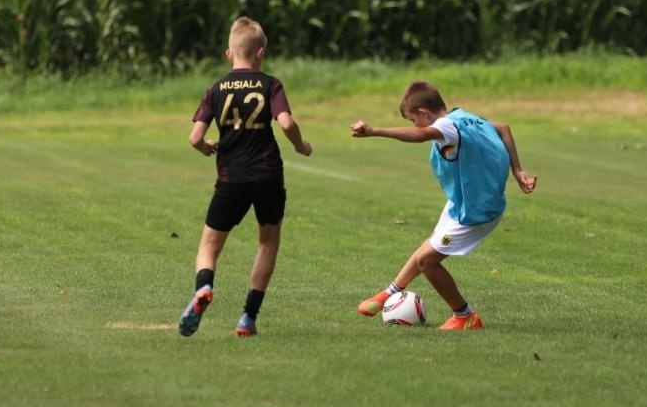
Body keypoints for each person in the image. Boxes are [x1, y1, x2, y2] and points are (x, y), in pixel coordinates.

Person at [350, 80, 537, 330]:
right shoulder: (465, 117)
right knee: (428, 247)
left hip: (475, 213)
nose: (414, 125)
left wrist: (375, 131)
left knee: (428, 260)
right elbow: (503, 128)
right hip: (462, 203)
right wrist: (518, 171)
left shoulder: (446, 127)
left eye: (411, 120)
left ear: (423, 113)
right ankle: (390, 292)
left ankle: (465, 316)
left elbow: (421, 134)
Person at [177, 18, 313, 338]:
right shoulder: (271, 84)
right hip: (267, 175)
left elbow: (195, 137)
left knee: (209, 246)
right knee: (267, 242)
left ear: (229, 53)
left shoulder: (215, 89)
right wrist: (301, 146)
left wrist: (207, 147)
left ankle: (204, 288)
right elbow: (287, 123)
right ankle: (247, 318)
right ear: (261, 53)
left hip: (230, 177)